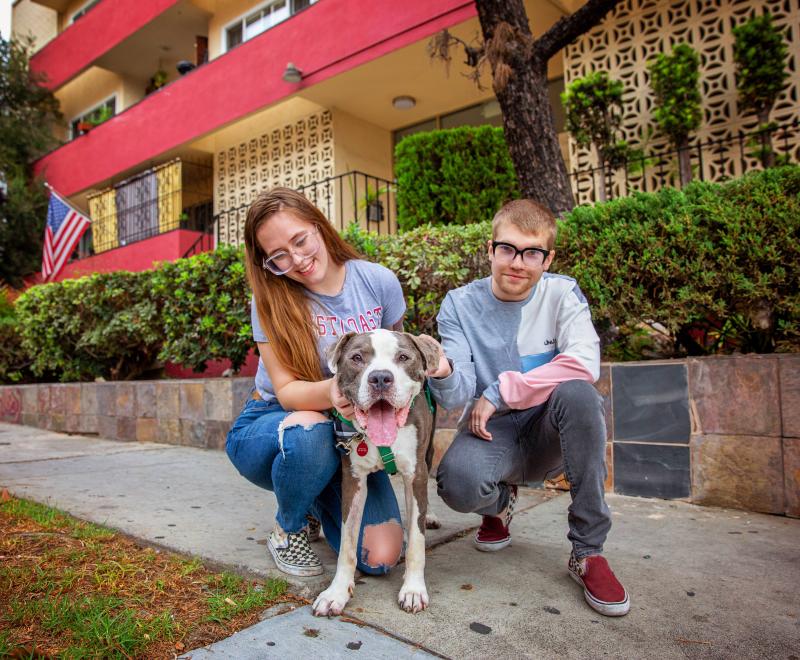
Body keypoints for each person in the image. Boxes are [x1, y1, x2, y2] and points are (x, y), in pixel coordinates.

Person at [426, 199, 630, 616]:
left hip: (549, 427)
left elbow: (583, 363)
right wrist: (443, 369)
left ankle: (587, 552)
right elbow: (456, 396)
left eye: (532, 252)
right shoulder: (459, 304)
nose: (518, 263)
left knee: (580, 394)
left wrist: (501, 389)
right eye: (508, 249)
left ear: (547, 258)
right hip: (493, 429)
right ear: (490, 250)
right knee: (457, 484)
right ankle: (499, 505)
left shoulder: (562, 292)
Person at [225, 188, 406, 578]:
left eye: (300, 240)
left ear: (318, 225)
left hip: (346, 433)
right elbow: (288, 392)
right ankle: (288, 529)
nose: (298, 260)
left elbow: (397, 363)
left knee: (382, 556)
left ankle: (313, 497)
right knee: (311, 431)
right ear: (266, 261)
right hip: (277, 422)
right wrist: (334, 392)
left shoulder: (378, 282)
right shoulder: (270, 300)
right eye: (279, 256)